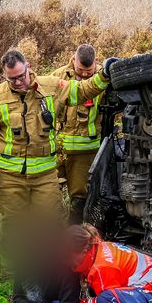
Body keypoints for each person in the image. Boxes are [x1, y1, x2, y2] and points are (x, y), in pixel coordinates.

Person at [0, 50, 112, 228]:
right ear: (4, 75)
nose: (18, 82)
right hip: (9, 178)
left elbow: (82, 90)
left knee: (51, 223)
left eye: (21, 76)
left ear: (28, 67)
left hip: (45, 177)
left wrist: (104, 75)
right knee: (13, 226)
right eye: (12, 79)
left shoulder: (51, 87)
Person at [54, 44, 107, 224]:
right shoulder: (58, 76)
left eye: (88, 71)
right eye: (80, 70)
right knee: (49, 196)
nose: (84, 74)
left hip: (85, 152)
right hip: (58, 150)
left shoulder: (103, 79)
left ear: (96, 62)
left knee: (80, 199)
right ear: (73, 60)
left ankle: (75, 232)